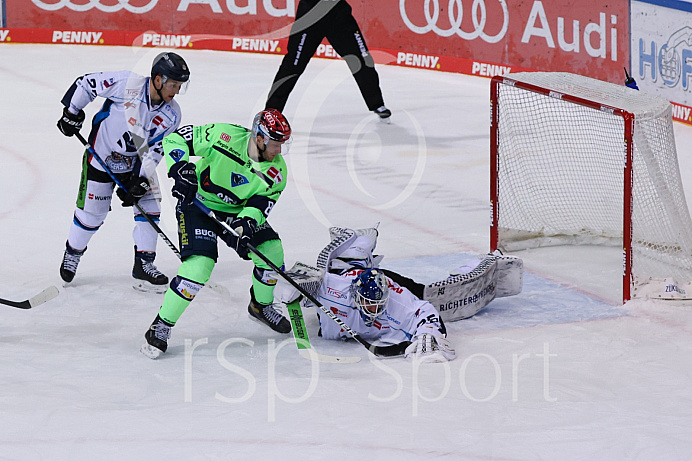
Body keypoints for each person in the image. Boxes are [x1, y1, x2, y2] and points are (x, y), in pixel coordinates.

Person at [140, 109, 293, 359]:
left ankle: (260, 306)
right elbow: (175, 138)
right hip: (197, 204)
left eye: (281, 144)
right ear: (259, 137)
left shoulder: (277, 173)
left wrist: (245, 226)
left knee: (271, 251)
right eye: (275, 143)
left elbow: (258, 206)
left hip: (236, 212)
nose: (278, 150)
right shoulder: (224, 135)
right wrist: (180, 168)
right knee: (199, 267)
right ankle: (162, 325)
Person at [274, 226, 523, 361]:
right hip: (351, 280)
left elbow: (424, 311)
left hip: (383, 282)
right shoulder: (334, 288)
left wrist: (429, 332)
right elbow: (291, 277)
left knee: (426, 295)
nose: (373, 311)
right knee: (338, 272)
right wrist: (293, 289)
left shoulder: (395, 300)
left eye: (377, 306)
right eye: (369, 305)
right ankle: (352, 252)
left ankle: (482, 263)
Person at [57, 52, 190, 293]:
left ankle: (144, 263)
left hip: (136, 164)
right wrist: (72, 112)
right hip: (101, 158)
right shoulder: (127, 84)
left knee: (150, 207)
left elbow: (157, 148)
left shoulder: (172, 114)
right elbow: (86, 83)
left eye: (180, 86)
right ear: (158, 80)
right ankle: (73, 253)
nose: (176, 91)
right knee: (92, 216)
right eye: (173, 84)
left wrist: (140, 180)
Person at [265, 0, 391, 121]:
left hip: (338, 13)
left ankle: (377, 103)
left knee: (362, 58)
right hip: (311, 13)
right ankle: (271, 112)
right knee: (294, 63)